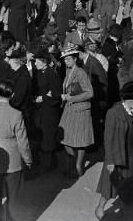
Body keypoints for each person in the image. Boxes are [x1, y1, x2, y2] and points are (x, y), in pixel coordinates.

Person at [95, 81, 133, 220]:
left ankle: (124, 212)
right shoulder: (113, 113)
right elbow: (107, 138)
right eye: (132, 99)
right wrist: (110, 161)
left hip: (130, 156)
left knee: (129, 186)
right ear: (124, 98)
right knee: (110, 187)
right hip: (116, 157)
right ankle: (100, 207)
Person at [0, 80, 32, 221]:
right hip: (13, 160)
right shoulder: (17, 114)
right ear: (12, 95)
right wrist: (28, 160)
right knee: (14, 197)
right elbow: (22, 141)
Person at [58, 46, 94, 177]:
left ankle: (77, 166)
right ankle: (73, 164)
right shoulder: (69, 71)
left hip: (80, 109)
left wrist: (71, 98)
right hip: (70, 108)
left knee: (80, 140)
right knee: (66, 139)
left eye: (68, 59)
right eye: (64, 59)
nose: (65, 61)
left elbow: (90, 93)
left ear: (75, 59)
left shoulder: (80, 72)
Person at [33, 47, 63, 170]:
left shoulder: (53, 75)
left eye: (37, 61)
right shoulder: (38, 73)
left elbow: (56, 94)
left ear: (44, 62)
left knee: (48, 136)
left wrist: (44, 98)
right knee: (42, 136)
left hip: (49, 111)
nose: (35, 63)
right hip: (40, 110)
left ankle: (50, 163)